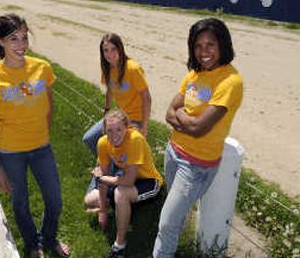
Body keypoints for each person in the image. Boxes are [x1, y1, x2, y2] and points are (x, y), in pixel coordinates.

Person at [0, 14, 69, 258]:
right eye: (13, 39)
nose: (21, 45)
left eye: (24, 38)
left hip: (41, 147)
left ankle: (48, 238)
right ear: (0, 41)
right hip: (10, 153)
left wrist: (43, 132)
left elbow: (49, 105)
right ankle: (32, 243)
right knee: (20, 203)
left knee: (55, 200)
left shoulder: (42, 68)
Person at [152, 18, 243, 257]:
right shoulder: (193, 74)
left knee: (166, 224)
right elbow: (168, 113)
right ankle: (174, 244)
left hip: (196, 166)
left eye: (210, 45)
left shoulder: (230, 81)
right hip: (173, 152)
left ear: (223, 44)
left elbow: (199, 128)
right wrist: (186, 122)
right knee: (173, 218)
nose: (204, 52)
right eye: (198, 46)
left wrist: (183, 118)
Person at [83, 33, 152, 210]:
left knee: (116, 145)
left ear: (120, 49)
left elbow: (146, 97)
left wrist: (144, 127)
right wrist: (106, 111)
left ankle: (105, 186)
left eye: (113, 49)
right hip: (117, 117)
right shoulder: (108, 69)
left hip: (133, 120)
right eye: (105, 50)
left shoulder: (132, 68)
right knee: (90, 138)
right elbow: (109, 91)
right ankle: (109, 169)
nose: (110, 54)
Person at [91, 109, 163, 258]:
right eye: (109, 130)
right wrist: (102, 211)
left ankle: (119, 244)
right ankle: (121, 210)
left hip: (148, 181)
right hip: (125, 178)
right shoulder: (103, 143)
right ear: (104, 131)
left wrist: (102, 179)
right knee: (89, 200)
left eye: (119, 129)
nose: (114, 134)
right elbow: (104, 174)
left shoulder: (135, 139)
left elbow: (126, 181)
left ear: (127, 128)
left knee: (120, 194)